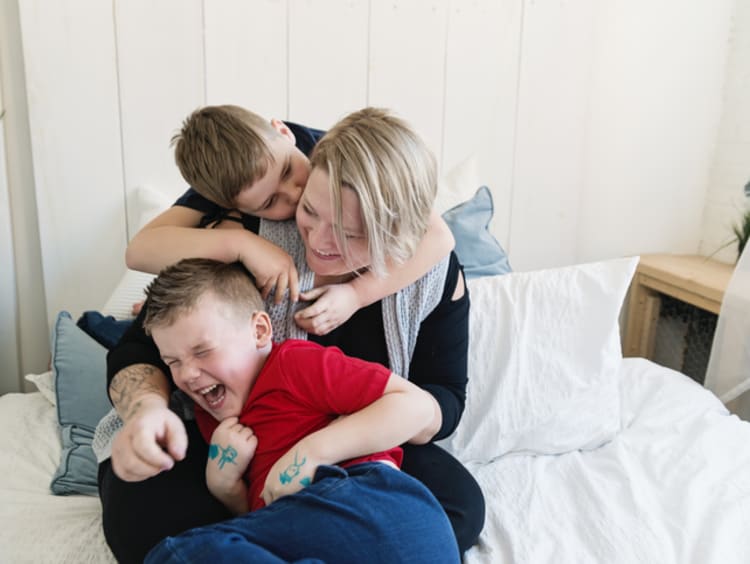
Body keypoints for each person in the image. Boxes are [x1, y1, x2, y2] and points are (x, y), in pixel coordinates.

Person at [94, 107, 485, 563]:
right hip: (227, 437)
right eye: (310, 211)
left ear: (397, 234)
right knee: (139, 510)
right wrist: (146, 411)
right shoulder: (245, 229)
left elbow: (444, 397)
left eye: (351, 234)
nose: (318, 241)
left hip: (361, 439)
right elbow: (145, 343)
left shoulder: (428, 275)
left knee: (457, 506)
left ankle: (232, 544)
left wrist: (330, 443)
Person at [140, 258, 460, 563]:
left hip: (380, 505)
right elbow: (267, 523)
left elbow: (415, 406)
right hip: (328, 536)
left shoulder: (292, 366)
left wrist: (311, 453)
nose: (187, 374)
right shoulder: (213, 418)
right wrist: (226, 487)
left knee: (179, 554)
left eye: (202, 351)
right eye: (173, 362)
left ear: (260, 331)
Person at [126, 104, 455, 334]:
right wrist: (243, 244)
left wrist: (357, 295)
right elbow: (139, 250)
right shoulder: (228, 186)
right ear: (232, 205)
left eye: (288, 170)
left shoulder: (333, 151)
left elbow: (439, 237)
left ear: (282, 131)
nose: (295, 193)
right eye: (270, 202)